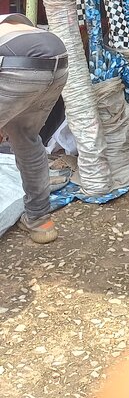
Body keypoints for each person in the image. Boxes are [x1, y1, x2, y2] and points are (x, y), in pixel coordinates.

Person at [0, 13, 68, 243]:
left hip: (16, 63)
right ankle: (40, 221)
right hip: (57, 58)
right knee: (26, 138)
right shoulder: (13, 24)